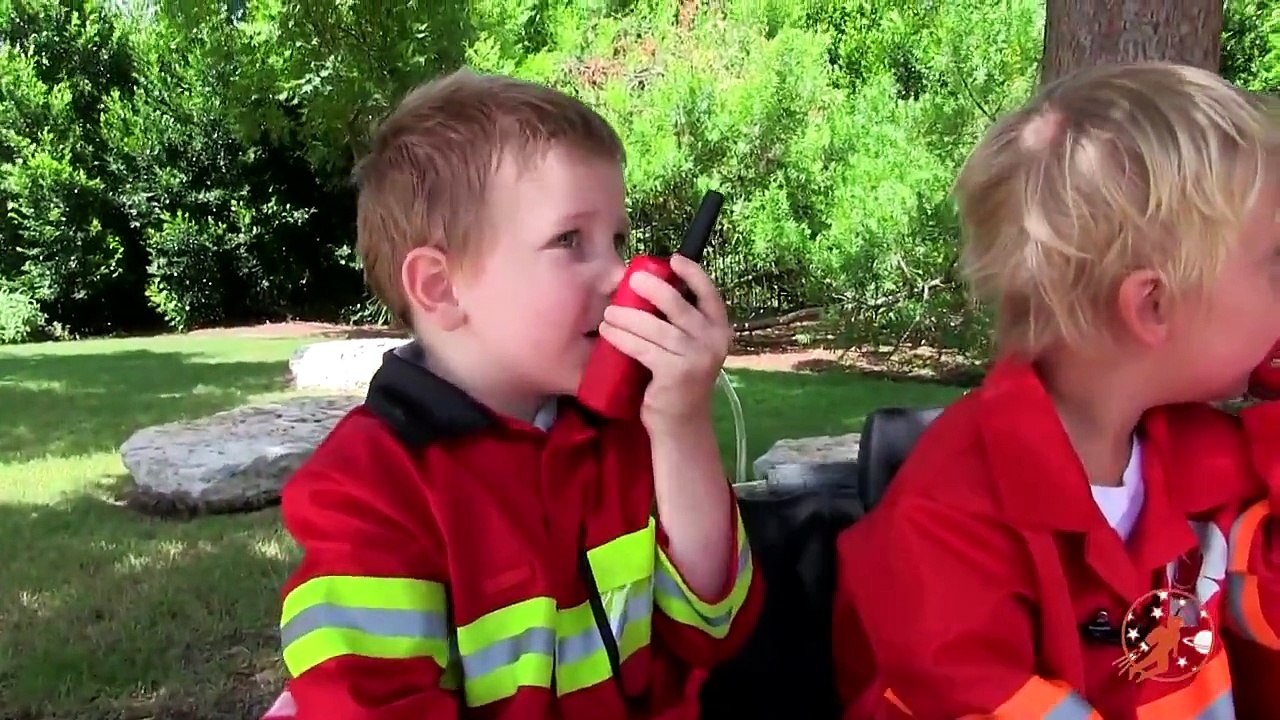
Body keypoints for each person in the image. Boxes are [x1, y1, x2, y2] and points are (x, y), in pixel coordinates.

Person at [268, 68, 763, 719]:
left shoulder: (623, 432)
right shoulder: (367, 491)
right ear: (441, 288)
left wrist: (679, 423)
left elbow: (713, 626)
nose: (619, 274)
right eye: (569, 240)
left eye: (618, 239)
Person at [831, 61, 1280, 719]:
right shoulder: (947, 521)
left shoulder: (1203, 461)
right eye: (1275, 264)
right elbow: (959, 687)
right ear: (1153, 305)